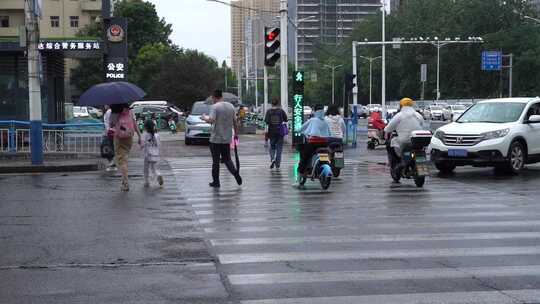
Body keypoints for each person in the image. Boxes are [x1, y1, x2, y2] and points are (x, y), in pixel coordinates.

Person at [201, 90, 243, 188]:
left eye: (212, 98)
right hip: (227, 137)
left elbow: (211, 120)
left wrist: (204, 118)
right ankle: (236, 174)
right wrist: (236, 134)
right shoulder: (231, 106)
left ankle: (216, 182)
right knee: (227, 159)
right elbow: (235, 122)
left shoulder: (215, 107)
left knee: (215, 161)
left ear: (214, 97)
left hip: (215, 138)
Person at [111, 103, 141, 192]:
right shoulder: (130, 112)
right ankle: (124, 180)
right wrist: (139, 136)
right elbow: (135, 124)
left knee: (122, 161)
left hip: (119, 139)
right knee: (125, 159)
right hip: (129, 137)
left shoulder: (114, 112)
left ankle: (125, 183)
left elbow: (111, 125)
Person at [297, 104, 331, 176]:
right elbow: (329, 133)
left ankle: (301, 171)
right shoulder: (326, 121)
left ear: (315, 111)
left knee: (304, 155)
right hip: (324, 143)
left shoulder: (312, 120)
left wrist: (297, 130)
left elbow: (302, 128)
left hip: (313, 143)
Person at [265, 97, 288, 169]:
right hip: (280, 131)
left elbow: (266, 121)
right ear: (278, 103)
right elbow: (286, 119)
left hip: (271, 132)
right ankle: (277, 164)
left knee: (272, 147)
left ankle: (272, 159)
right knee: (279, 148)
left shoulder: (268, 111)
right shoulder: (281, 111)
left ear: (271, 104)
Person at [141, 119, 164, 188]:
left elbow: (143, 145)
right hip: (155, 154)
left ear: (146, 127)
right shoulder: (157, 135)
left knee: (146, 169)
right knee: (154, 168)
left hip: (147, 155)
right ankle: (158, 175)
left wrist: (141, 146)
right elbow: (159, 144)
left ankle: (146, 181)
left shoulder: (145, 135)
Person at [102, 105, 116, 171]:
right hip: (111, 132)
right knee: (110, 147)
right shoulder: (110, 111)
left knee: (107, 147)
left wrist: (107, 132)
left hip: (110, 133)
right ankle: (112, 163)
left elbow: (108, 123)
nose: (104, 106)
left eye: (105, 104)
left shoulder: (109, 111)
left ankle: (112, 162)